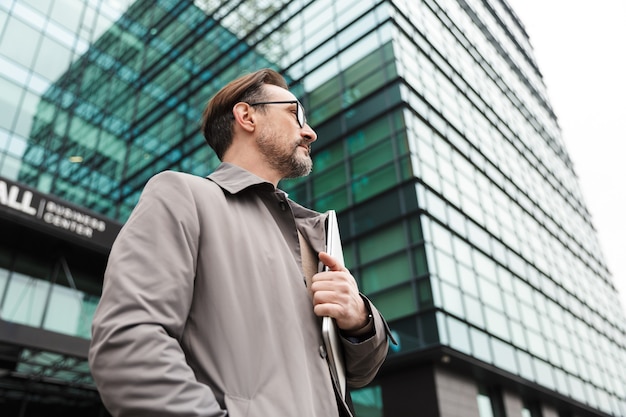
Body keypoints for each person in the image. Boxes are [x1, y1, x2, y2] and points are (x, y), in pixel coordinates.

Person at [89, 68, 392, 417]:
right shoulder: (182, 195)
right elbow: (128, 343)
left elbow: (360, 373)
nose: (310, 131)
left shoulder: (311, 235)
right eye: (296, 113)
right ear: (246, 115)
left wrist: (359, 320)